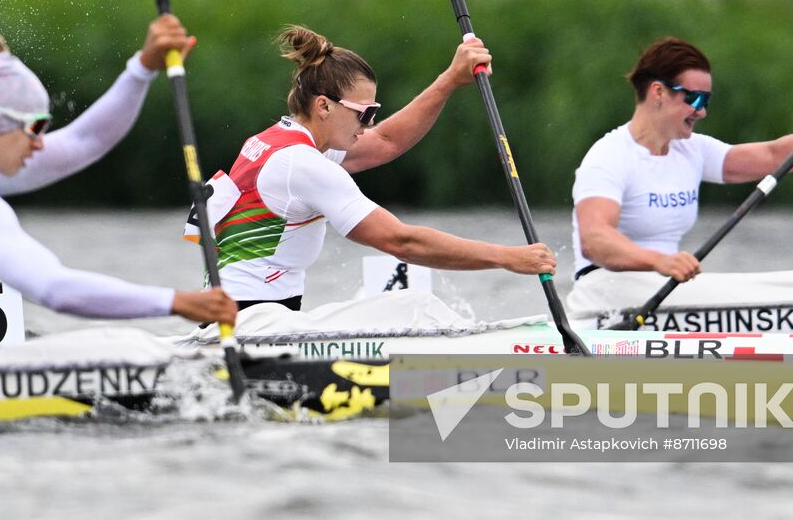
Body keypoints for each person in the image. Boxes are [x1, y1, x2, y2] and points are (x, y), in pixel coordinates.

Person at [0, 17, 236, 361]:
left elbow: (85, 141)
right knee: (117, 346)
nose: (41, 143)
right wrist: (177, 302)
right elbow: (53, 289)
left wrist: (142, 68)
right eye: (35, 127)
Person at [187, 25, 555, 310]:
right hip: (254, 321)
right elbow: (403, 243)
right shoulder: (302, 164)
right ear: (324, 106)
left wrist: (449, 81)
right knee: (414, 306)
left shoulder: (276, 143)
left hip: (235, 316)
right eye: (365, 113)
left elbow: (385, 144)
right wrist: (508, 257)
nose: (368, 123)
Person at [570, 37, 793, 293]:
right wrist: (659, 260)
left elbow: (774, 157)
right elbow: (594, 240)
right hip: (605, 297)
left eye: (706, 99)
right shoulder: (609, 157)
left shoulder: (692, 150)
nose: (702, 111)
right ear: (659, 92)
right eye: (694, 98)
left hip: (662, 295)